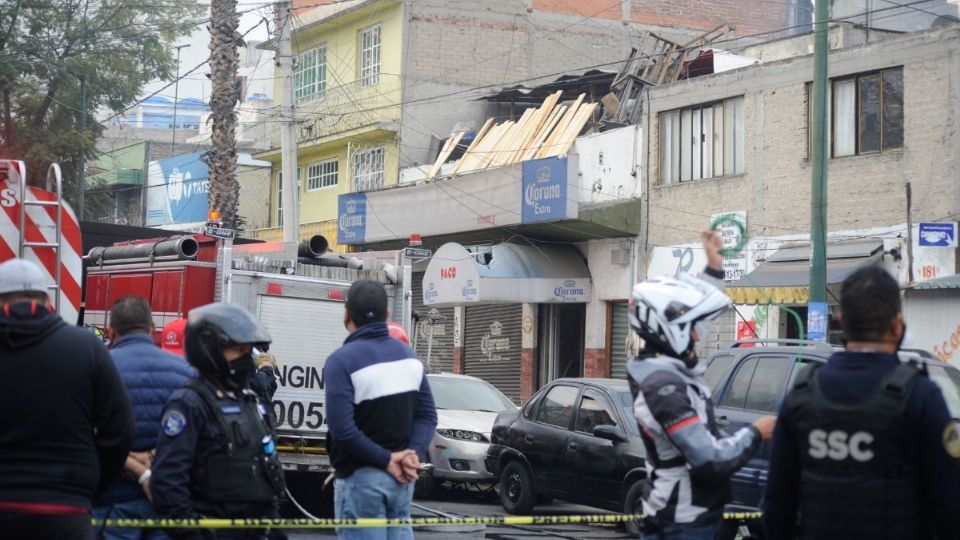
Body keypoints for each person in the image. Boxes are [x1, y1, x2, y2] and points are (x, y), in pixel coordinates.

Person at [763, 266, 960, 539]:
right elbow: (950, 505)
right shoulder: (921, 397)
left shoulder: (802, 394)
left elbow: (777, 504)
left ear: (842, 321)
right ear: (897, 326)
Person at [627, 232, 776, 540]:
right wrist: (756, 432)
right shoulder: (663, 388)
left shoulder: (664, 365)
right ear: (670, 330)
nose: (697, 336)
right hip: (681, 525)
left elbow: (697, 323)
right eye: (690, 328)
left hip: (690, 519)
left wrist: (713, 268)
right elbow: (711, 460)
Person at [0, 259, 134, 539]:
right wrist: (88, 486)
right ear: (47, 300)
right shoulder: (86, 347)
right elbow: (119, 431)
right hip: (66, 510)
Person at [150, 303, 286, 540]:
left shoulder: (251, 402)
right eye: (236, 350)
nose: (244, 358)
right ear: (208, 350)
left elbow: (267, 471)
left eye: (247, 350)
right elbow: (168, 482)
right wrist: (191, 534)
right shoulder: (190, 403)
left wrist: (271, 528)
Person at [324, 280, 437, 540]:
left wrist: (388, 461)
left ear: (346, 313)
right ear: (387, 315)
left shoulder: (341, 361)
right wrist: (412, 454)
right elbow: (428, 415)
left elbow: (342, 430)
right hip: (402, 482)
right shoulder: (409, 357)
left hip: (360, 481)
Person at [92, 296, 196, 540]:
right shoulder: (187, 372)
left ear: (111, 330)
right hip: (168, 498)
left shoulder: (97, 369)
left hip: (112, 499)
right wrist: (154, 456)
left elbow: (87, 434)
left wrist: (135, 466)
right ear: (152, 329)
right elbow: (196, 435)